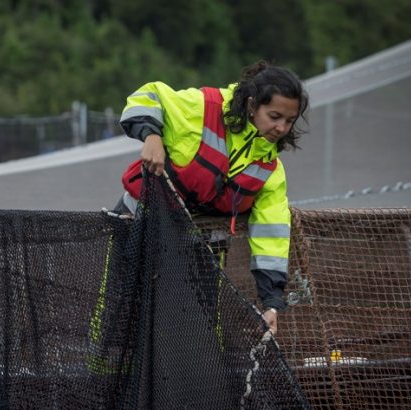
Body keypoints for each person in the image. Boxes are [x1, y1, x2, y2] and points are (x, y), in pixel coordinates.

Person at [117, 61, 308, 335]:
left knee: (203, 327)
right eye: (275, 116)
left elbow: (271, 236)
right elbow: (148, 95)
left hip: (205, 247)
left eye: (289, 121)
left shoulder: (270, 171)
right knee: (121, 311)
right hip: (139, 224)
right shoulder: (203, 107)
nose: (281, 128)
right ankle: (105, 374)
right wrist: (151, 137)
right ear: (253, 105)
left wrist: (271, 303)